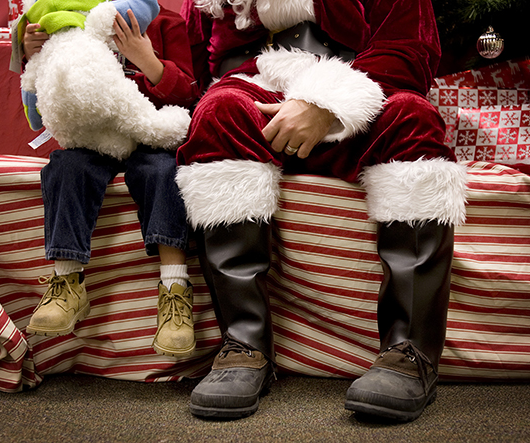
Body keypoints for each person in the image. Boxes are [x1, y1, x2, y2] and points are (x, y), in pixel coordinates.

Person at [175, 0, 468, 421]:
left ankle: (410, 352)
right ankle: (244, 347)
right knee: (218, 113)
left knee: (413, 116)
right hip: (256, 87)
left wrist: (325, 102)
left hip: (362, 86)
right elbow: (191, 71)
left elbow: (409, 50)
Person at [13, 1, 199, 357]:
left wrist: (148, 60)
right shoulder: (65, 16)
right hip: (92, 136)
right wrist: (31, 50)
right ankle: (66, 280)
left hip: (149, 131)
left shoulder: (166, 21)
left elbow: (188, 91)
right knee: (65, 166)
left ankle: (175, 290)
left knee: (164, 171)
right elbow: (45, 83)